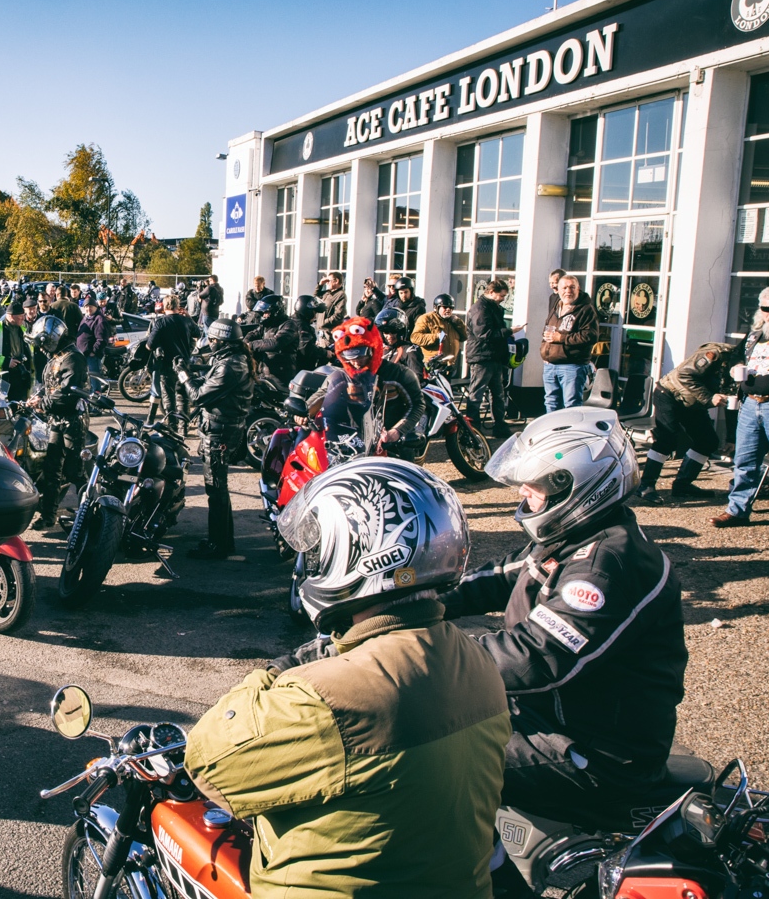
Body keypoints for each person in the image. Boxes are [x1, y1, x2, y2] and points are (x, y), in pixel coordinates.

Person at [186, 460, 509, 899]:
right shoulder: (476, 659)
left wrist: (273, 672)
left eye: (318, 547)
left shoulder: (326, 698)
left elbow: (208, 761)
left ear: (359, 552)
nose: (310, 561)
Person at [446, 408, 686, 896]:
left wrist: (428, 663)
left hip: (594, 753)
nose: (523, 494)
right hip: (558, 725)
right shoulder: (580, 538)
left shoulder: (606, 564)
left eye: (535, 484)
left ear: (576, 486)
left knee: (439, 758)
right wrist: (412, 598)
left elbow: (538, 655)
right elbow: (498, 578)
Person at [712, 284, 769, 544]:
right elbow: (737, 357)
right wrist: (735, 369)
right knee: (745, 462)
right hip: (751, 405)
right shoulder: (755, 334)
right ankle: (737, 510)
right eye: (766, 308)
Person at [637, 339, 738, 504]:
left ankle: (683, 485)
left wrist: (731, 439)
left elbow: (732, 403)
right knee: (667, 439)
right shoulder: (716, 354)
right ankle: (645, 485)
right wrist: (709, 398)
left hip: (692, 403)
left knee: (708, 441)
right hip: (669, 394)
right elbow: (685, 374)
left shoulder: (747, 372)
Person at [189, 318, 252, 560]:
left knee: (216, 489)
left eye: (213, 340)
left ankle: (218, 545)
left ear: (222, 341)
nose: (211, 344)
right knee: (218, 489)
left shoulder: (230, 365)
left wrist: (184, 375)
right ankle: (223, 541)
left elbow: (198, 397)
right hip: (220, 429)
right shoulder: (232, 360)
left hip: (220, 433)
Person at [318, 316, 425, 457]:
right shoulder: (339, 376)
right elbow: (319, 396)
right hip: (354, 446)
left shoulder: (399, 373)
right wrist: (302, 412)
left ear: (373, 349)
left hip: (393, 445)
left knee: (405, 476)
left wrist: (397, 431)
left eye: (361, 355)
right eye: (349, 356)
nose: (356, 362)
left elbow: (417, 404)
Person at [30, 315, 87, 529]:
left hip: (73, 420)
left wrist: (42, 403)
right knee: (52, 468)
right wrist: (37, 396)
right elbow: (49, 384)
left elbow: (66, 394)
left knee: (75, 471)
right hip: (57, 419)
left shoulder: (73, 358)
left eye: (43, 343)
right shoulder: (57, 356)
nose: (42, 348)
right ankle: (47, 516)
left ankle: (91, 514)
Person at [465, 279, 519, 439]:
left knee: (496, 393)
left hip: (492, 355)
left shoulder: (488, 307)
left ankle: (498, 425)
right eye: (501, 295)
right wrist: (507, 331)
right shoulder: (481, 309)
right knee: (478, 393)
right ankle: (473, 427)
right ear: (491, 292)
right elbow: (483, 334)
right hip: (483, 356)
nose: (503, 298)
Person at [540, 275, 598, 411]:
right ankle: (553, 432)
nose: (568, 291)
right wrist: (545, 353)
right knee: (551, 403)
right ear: (558, 290)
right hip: (550, 366)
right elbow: (547, 333)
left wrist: (561, 338)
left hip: (572, 366)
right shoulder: (556, 307)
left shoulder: (586, 310)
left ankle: (570, 432)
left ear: (578, 289)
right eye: (564, 287)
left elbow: (590, 336)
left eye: (572, 287)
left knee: (571, 406)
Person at [148, 293, 194, 433]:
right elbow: (197, 333)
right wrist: (188, 316)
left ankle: (172, 427)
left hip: (167, 364)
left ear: (165, 305)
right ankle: (184, 427)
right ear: (177, 306)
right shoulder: (186, 321)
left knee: (169, 397)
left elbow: (150, 344)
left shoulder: (161, 322)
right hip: (184, 363)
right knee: (183, 396)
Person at [0, 302, 33, 400]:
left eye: (23, 316)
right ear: (11, 316)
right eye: (20, 316)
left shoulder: (23, 330)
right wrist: (5, 361)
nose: (23, 319)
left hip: (20, 377)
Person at [245, 296, 300, 383]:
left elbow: (276, 342)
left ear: (276, 311)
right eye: (262, 313)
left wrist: (251, 345)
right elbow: (252, 334)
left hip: (280, 376)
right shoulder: (266, 325)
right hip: (263, 374)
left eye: (266, 312)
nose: (264, 315)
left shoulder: (289, 324)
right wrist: (244, 344)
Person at [411, 293, 468, 365]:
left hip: (451, 364)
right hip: (433, 364)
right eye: (445, 307)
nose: (448, 310)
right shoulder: (426, 319)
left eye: (451, 308)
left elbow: (465, 336)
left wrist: (458, 324)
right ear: (436, 308)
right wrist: (436, 337)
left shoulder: (454, 321)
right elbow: (415, 337)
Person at [375, 306, 424, 379]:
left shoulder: (409, 350)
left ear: (400, 332)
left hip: (400, 389)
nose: (390, 335)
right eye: (386, 332)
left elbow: (417, 378)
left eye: (393, 331)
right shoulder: (379, 350)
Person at [74, 295, 110, 375]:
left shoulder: (99, 320)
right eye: (86, 307)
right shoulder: (86, 317)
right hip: (83, 354)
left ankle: (96, 388)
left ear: (96, 307)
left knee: (94, 379)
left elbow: (102, 339)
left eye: (91, 307)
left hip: (92, 356)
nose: (88, 309)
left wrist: (93, 352)